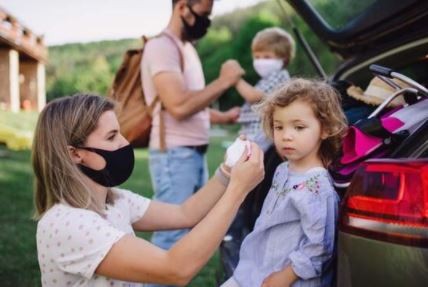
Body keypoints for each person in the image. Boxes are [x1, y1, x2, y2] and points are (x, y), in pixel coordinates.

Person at [33, 94, 264, 287]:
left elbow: (184, 214)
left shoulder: (113, 199)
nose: (125, 143)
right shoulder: (70, 223)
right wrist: (238, 191)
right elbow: (175, 269)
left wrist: (227, 171)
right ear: (75, 154)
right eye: (112, 136)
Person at [221, 78, 348, 287]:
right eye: (278, 127)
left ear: (324, 129)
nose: (286, 136)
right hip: (260, 267)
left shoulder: (318, 187)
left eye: (298, 127)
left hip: (289, 279)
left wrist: (286, 276)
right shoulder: (282, 169)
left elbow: (320, 246)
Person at [141, 0, 244, 256]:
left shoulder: (186, 48)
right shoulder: (161, 46)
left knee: (188, 232)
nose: (206, 22)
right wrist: (224, 82)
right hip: (174, 155)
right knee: (171, 237)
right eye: (204, 14)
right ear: (183, 8)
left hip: (191, 153)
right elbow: (177, 105)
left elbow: (192, 102)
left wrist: (223, 117)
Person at [236, 26, 295, 151]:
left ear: (283, 58)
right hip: (252, 131)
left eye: (267, 57)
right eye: (257, 57)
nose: (260, 61)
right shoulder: (267, 78)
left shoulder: (279, 76)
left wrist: (235, 79)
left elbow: (253, 97)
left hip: (259, 133)